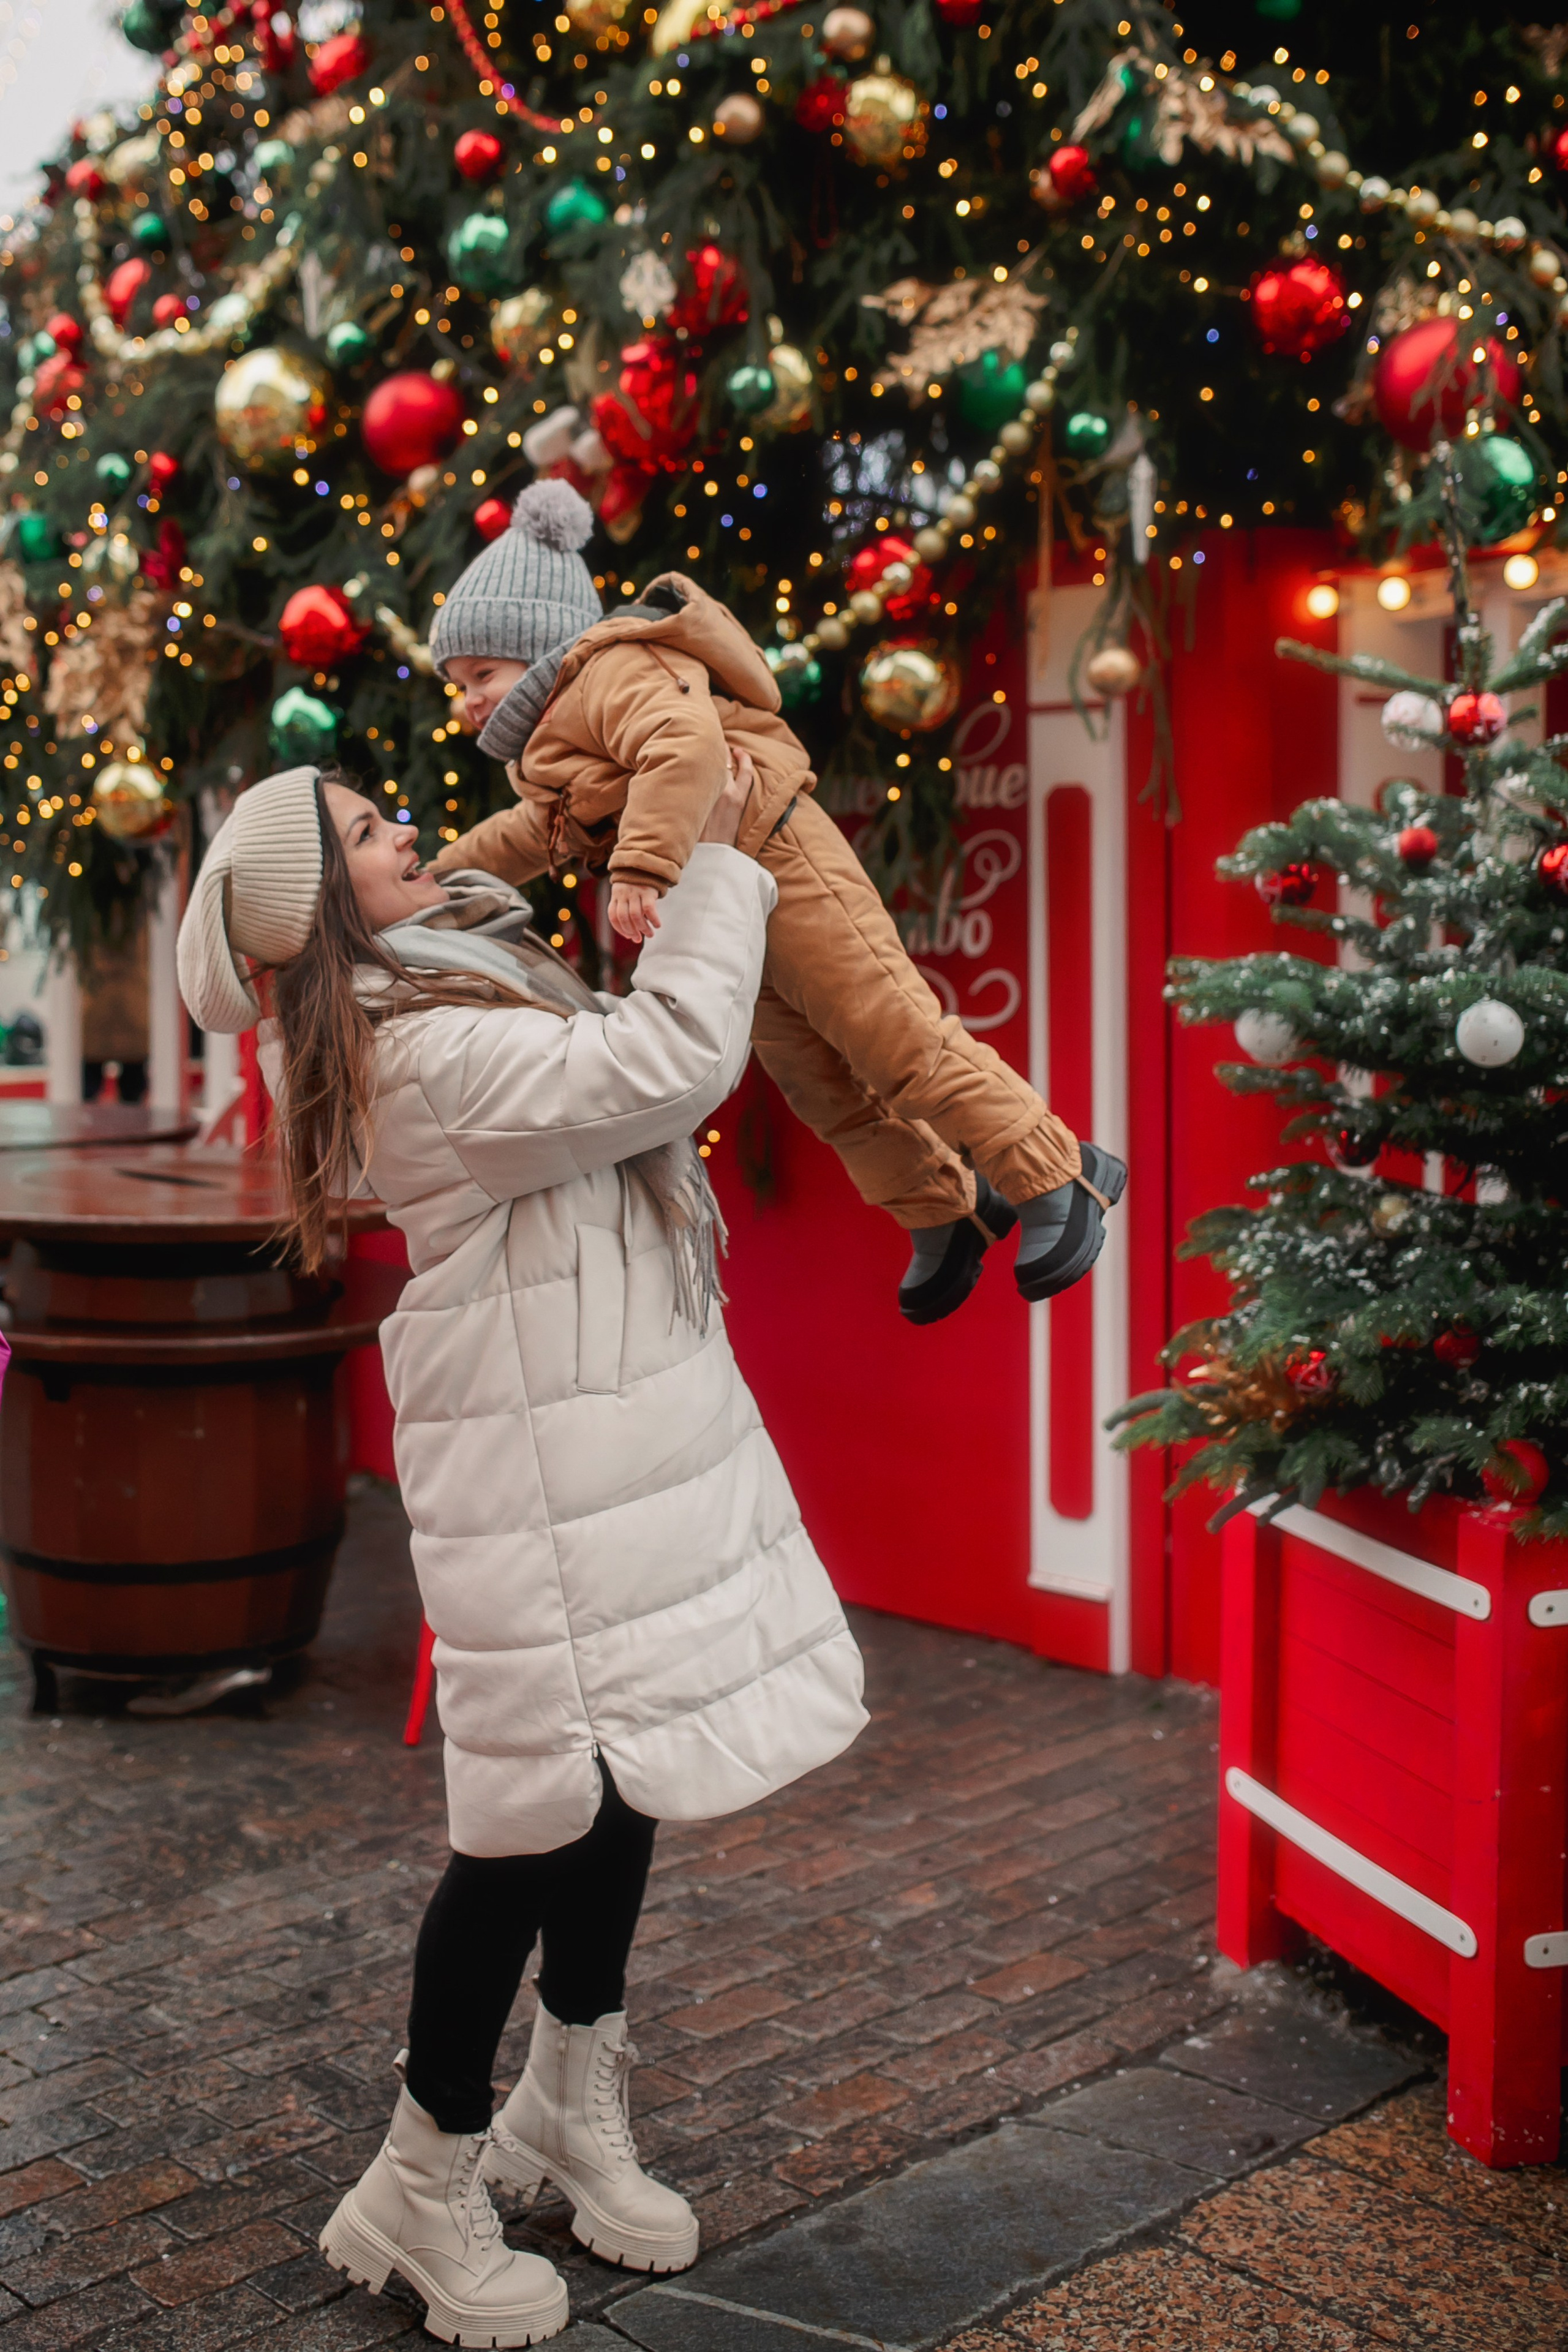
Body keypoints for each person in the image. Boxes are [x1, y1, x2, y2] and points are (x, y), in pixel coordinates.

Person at [175, 761, 868, 2350]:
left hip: (599, 1454)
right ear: (328, 907)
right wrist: (718, 866)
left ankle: (568, 2102)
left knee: (618, 1782)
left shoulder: (445, 984)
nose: (400, 827)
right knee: (520, 1830)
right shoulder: (419, 1051)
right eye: (364, 832)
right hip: (542, 1481)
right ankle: (419, 2183)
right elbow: (669, 1060)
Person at [429, 481, 1125, 1329]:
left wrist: (641, 868)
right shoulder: (546, 749)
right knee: (817, 1078)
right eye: (455, 683)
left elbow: (683, 747)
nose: (466, 699)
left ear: (540, 650)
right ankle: (945, 1205)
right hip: (723, 898)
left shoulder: (613, 671)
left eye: (481, 675)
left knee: (888, 1030)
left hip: (778, 852)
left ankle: (1056, 1172)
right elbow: (531, 830)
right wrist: (439, 879)